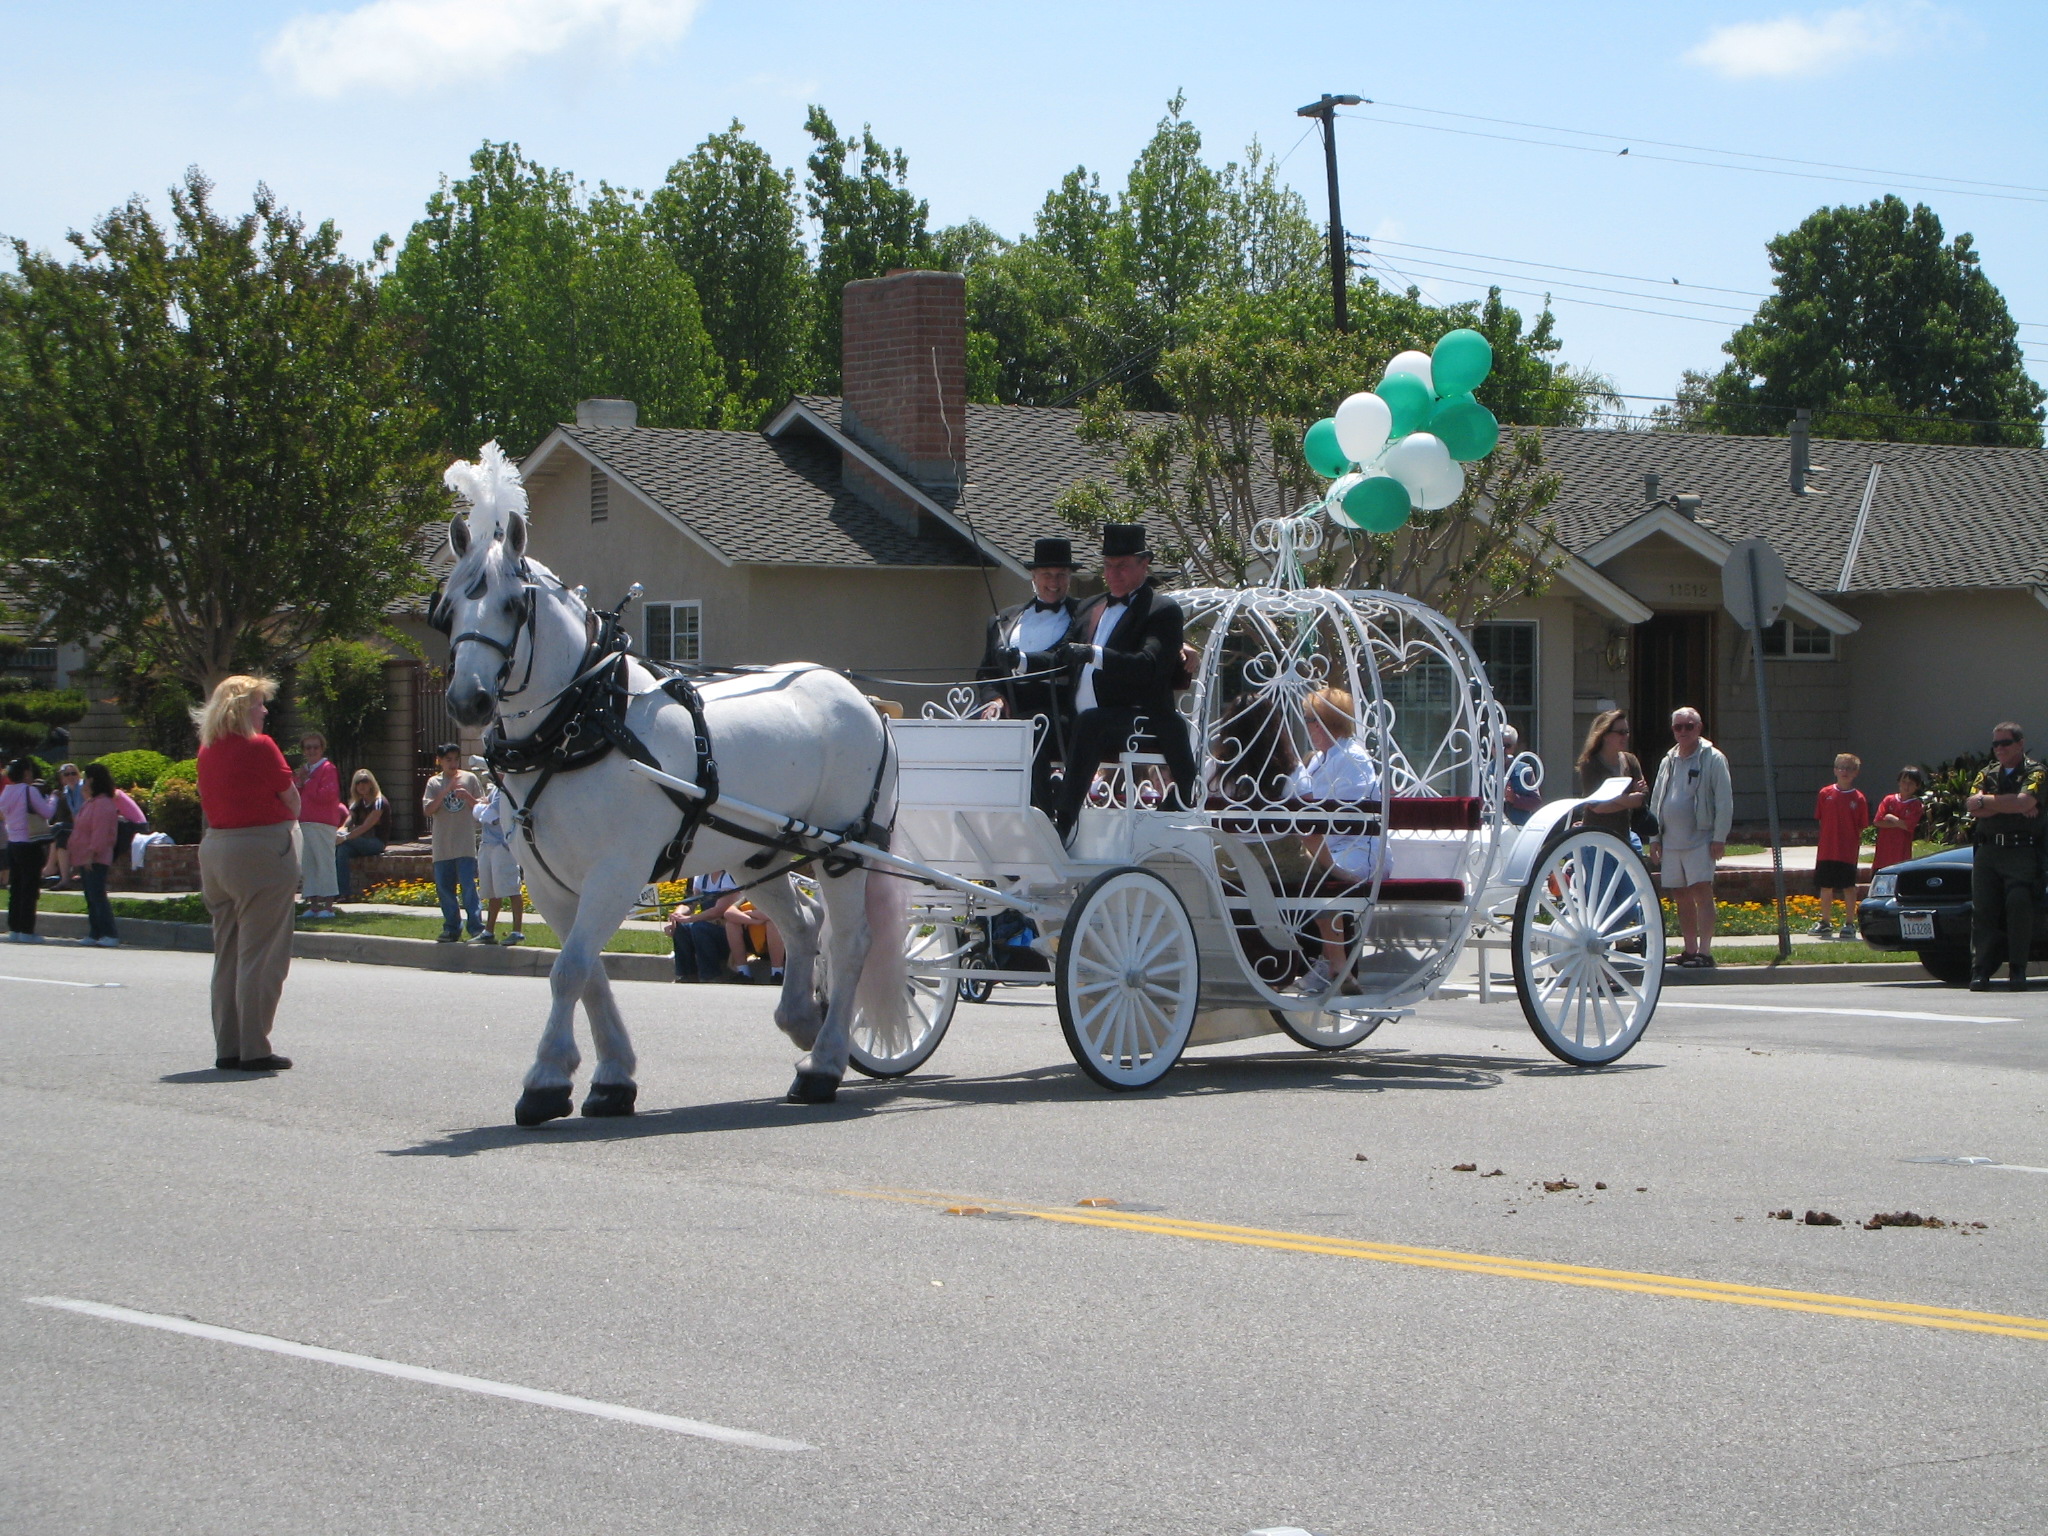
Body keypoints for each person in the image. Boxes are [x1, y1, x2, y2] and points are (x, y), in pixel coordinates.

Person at [1050, 524, 1198, 840]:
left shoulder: (1161, 610)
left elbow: (1149, 666)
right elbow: (1061, 655)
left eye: (1122, 566)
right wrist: (1020, 661)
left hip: (1139, 718)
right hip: (1083, 717)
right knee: (1036, 725)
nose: (1112, 573)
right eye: (1107, 566)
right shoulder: (1091, 607)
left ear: (1144, 565)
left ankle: (1063, 820)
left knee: (1092, 722)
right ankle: (1035, 805)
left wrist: (1094, 654)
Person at [194, 675, 300, 1071]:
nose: (265, 710)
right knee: (262, 955)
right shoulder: (261, 747)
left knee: (228, 953)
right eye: (259, 703)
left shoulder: (207, 750)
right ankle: (255, 1046)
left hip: (217, 849)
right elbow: (291, 800)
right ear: (242, 707)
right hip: (261, 850)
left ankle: (228, 1044)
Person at [1288, 687, 1383, 993]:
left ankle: (1332, 964)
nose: (1307, 726)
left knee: (1317, 876)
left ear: (1327, 722)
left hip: (1358, 850)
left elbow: (1353, 814)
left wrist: (1312, 825)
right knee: (1298, 873)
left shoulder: (1354, 758)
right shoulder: (1319, 760)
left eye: (1310, 719)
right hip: (1329, 845)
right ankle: (1330, 962)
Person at [976, 536, 1080, 815]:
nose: (1054, 582)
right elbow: (986, 672)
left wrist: (1182, 644)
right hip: (1009, 708)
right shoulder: (1004, 620)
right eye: (1047, 574)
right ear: (1033, 576)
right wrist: (994, 700)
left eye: (1061, 575)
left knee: (1030, 732)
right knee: (969, 730)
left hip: (1057, 712)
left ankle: (1040, 816)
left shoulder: (1082, 615)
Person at [1646, 707, 1733, 969]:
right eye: (1678, 727)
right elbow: (1657, 800)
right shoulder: (1668, 759)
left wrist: (1719, 837)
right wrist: (1654, 838)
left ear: (1699, 728)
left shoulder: (1713, 758)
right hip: (1671, 841)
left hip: (1701, 839)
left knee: (1701, 892)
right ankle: (1689, 949)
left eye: (1689, 726)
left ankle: (1705, 952)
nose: (1683, 731)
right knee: (1680, 895)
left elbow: (1724, 801)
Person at [1966, 722, 2044, 992]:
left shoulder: (2035, 771)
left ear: (2020, 743)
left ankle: (2017, 969)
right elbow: (1972, 806)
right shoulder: (1986, 773)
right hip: (1988, 851)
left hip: (2020, 851)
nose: (1999, 748)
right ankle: (1981, 971)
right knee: (1984, 910)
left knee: (2018, 904)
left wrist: (1990, 802)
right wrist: (2009, 804)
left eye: (2005, 743)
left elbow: (2025, 802)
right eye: (1995, 744)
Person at [421, 743, 485, 942]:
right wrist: (446, 789)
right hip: (443, 846)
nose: (453, 763)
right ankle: (451, 928)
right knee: (445, 889)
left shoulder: (469, 778)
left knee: (469, 888)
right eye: (448, 759)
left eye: (456, 759)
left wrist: (467, 796)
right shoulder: (433, 782)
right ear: (439, 761)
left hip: (465, 844)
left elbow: (482, 807)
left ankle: (475, 927)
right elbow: (428, 810)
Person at [1812, 753, 1870, 937]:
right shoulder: (1825, 793)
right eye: (1841, 767)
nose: (1845, 772)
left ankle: (1849, 923)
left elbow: (1861, 826)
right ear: (1835, 770)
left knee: (1848, 887)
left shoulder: (1859, 798)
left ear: (1856, 773)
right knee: (1826, 887)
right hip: (1827, 850)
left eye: (1850, 768)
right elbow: (1821, 819)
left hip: (1847, 851)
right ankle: (1825, 921)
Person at [68, 762, 124, 947]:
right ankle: (95, 932)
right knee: (90, 896)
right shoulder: (92, 802)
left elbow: (100, 832)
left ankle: (110, 933)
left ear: (92, 780)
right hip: (85, 857)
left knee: (97, 895)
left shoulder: (103, 804)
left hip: (96, 858)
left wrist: (91, 854)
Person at [294, 732, 346, 920]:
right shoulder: (305, 770)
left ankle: (329, 906)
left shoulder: (327, 768)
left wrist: (307, 782)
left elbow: (326, 795)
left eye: (315, 747)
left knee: (325, 863)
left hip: (323, 823)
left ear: (322, 748)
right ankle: (313, 905)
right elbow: (295, 793)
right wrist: (301, 781)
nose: (312, 751)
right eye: (308, 747)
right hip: (305, 821)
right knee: (309, 864)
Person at [2, 759, 56, 943]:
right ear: (26, 773)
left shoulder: (7, 791)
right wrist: (53, 798)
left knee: (16, 887)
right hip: (30, 842)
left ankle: (15, 928)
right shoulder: (29, 790)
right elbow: (47, 812)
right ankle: (27, 930)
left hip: (13, 842)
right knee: (30, 887)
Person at [1574, 709, 1646, 844]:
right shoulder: (1590, 764)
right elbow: (1597, 807)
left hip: (1623, 838)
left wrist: (1609, 797)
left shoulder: (1630, 761)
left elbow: (1640, 800)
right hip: (1595, 840)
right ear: (1605, 735)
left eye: (1627, 732)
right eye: (1620, 732)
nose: (1625, 736)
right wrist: (1628, 799)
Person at [473, 779, 526, 945]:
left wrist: (471, 800)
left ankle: (517, 931)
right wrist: (481, 806)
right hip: (488, 843)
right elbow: (482, 811)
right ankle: (489, 931)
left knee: (511, 888)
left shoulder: (507, 790)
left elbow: (489, 815)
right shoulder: (496, 789)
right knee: (493, 891)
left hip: (503, 846)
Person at [666, 871, 741, 983]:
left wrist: (691, 918)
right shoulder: (701, 877)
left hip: (727, 931)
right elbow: (690, 903)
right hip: (706, 927)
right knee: (681, 927)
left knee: (699, 927)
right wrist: (676, 917)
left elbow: (718, 911)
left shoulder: (729, 877)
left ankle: (711, 975)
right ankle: (687, 974)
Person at [334, 769, 388, 901]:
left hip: (376, 842)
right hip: (358, 841)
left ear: (371, 784)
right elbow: (349, 819)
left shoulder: (379, 802)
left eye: (365, 782)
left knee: (343, 842)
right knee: (342, 851)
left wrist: (345, 837)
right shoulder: (356, 803)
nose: (361, 786)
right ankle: (343, 893)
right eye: (358, 783)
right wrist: (341, 830)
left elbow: (366, 826)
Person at [1871, 766, 1927, 874]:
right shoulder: (1888, 800)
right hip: (1883, 855)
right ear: (1898, 782)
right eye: (1904, 782)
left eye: (1911, 783)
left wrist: (1891, 817)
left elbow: (1908, 826)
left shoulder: (1916, 805)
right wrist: (1899, 823)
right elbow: (1878, 821)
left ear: (1917, 785)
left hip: (1901, 855)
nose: (1906, 786)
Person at [46, 763, 84, 887]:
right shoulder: (67, 791)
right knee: (60, 837)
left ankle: (51, 866)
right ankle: (65, 879)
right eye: (67, 774)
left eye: (74, 773)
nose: (71, 776)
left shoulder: (82, 787)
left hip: (87, 826)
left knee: (58, 828)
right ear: (62, 777)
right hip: (77, 826)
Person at [1502, 726, 1542, 826]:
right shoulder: (1486, 770)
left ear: (1514, 746)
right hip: (1491, 828)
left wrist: (1514, 798)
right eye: (1496, 745)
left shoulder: (1525, 770)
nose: (1502, 749)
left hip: (1518, 827)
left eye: (1507, 745)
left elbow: (1536, 802)